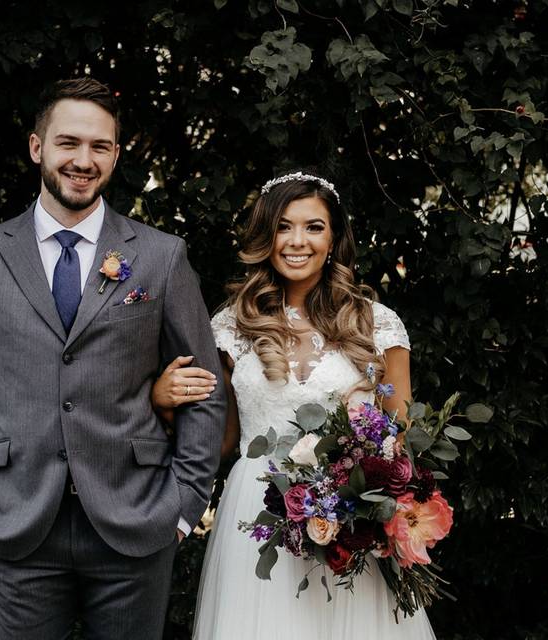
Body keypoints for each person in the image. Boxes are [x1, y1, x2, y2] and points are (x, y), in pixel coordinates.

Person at [0, 77, 226, 640]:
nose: (83, 160)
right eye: (69, 143)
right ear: (38, 147)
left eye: (100, 146)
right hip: (13, 518)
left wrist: (184, 508)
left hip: (135, 519)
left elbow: (204, 388)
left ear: (116, 154)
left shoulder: (160, 257)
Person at [153, 172, 436, 638]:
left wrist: (360, 499)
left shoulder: (379, 326)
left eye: (314, 227)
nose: (297, 241)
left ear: (334, 238)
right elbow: (219, 442)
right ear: (266, 236)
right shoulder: (230, 326)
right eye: (283, 227)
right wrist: (163, 403)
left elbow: (400, 441)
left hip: (348, 520)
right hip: (254, 517)